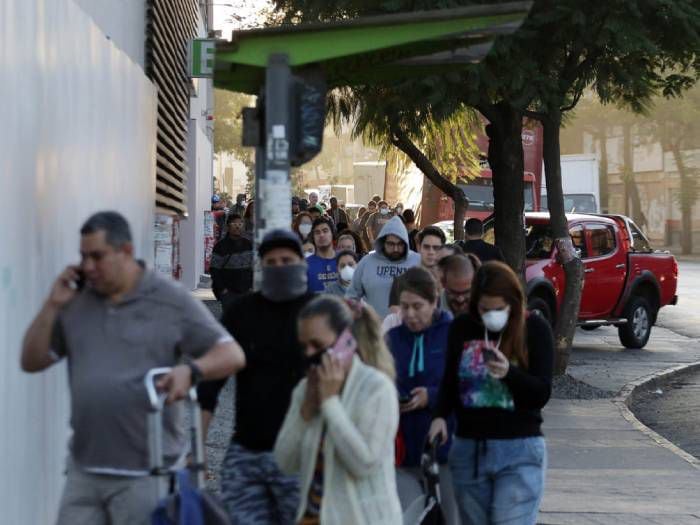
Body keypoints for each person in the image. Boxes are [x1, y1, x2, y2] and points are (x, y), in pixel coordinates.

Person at [20, 211, 245, 525]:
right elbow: (32, 360)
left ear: (125, 251)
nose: (87, 267)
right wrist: (52, 304)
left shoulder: (168, 298)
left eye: (97, 256)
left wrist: (190, 371)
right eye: (83, 257)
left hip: (146, 473)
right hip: (84, 470)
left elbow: (232, 354)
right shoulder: (78, 300)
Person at [198, 229, 315, 525]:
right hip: (247, 451)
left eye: (286, 260)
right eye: (271, 262)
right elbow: (212, 384)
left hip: (303, 455)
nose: (279, 268)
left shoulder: (317, 313)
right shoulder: (242, 313)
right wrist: (196, 448)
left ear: (300, 262)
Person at [430, 261, 554, 525]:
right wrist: (440, 416)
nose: (491, 315)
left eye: (499, 309)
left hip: (518, 450)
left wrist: (509, 372)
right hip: (469, 449)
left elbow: (541, 392)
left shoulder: (535, 329)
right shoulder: (463, 327)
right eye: (484, 309)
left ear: (514, 303)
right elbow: (450, 380)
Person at [274, 296, 402, 525]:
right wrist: (304, 412)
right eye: (304, 346)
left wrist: (330, 403)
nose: (309, 353)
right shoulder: (306, 389)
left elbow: (364, 463)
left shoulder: (376, 389)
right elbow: (285, 462)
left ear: (346, 342)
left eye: (318, 345)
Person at [386, 268, 458, 524]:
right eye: (404, 307)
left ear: (434, 301)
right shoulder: (392, 338)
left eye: (418, 306)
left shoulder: (453, 333)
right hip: (404, 451)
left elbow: (468, 386)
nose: (411, 314)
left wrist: (433, 396)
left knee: (450, 517)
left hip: (445, 448)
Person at [346, 216, 420, 318]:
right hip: (374, 330)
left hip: (409, 329)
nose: (395, 249)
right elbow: (351, 296)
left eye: (400, 244)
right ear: (383, 242)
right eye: (391, 244)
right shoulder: (367, 262)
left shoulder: (417, 261)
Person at [209, 213, 253, 306]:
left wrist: (251, 287)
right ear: (228, 226)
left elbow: (253, 266)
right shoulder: (220, 246)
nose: (237, 227)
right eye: (234, 224)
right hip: (229, 293)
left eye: (240, 224)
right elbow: (214, 270)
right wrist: (222, 290)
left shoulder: (248, 244)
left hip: (247, 291)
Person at [306, 218, 338, 293]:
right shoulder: (305, 265)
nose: (321, 235)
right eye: (317, 232)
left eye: (325, 231)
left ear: (332, 234)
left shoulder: (345, 259)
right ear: (313, 237)